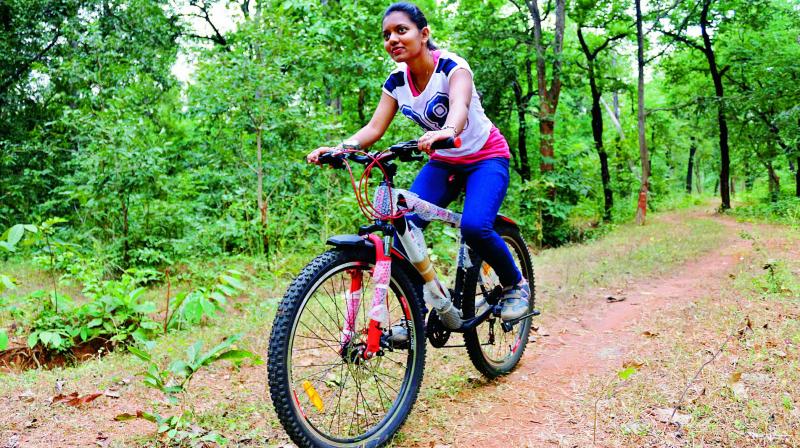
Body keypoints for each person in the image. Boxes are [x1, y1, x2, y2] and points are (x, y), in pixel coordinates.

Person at [307, 2, 530, 321]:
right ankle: (418, 313)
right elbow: (373, 128)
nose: (393, 40)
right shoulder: (396, 81)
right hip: (444, 163)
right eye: (386, 35)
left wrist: (448, 130)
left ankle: (515, 285)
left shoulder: (452, 67)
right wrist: (340, 148)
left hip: (486, 157)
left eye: (401, 30)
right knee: (403, 229)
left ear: (424, 34)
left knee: (475, 227)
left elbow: (459, 105)